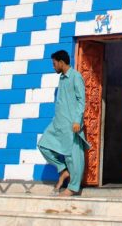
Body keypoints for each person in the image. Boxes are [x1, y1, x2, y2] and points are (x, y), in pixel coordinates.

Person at [37, 49, 90, 196]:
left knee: (73, 156)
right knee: (43, 145)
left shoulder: (75, 77)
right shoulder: (61, 78)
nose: (53, 67)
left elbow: (81, 100)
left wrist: (76, 120)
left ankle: (73, 188)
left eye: (54, 64)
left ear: (61, 62)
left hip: (71, 125)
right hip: (58, 123)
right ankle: (63, 170)